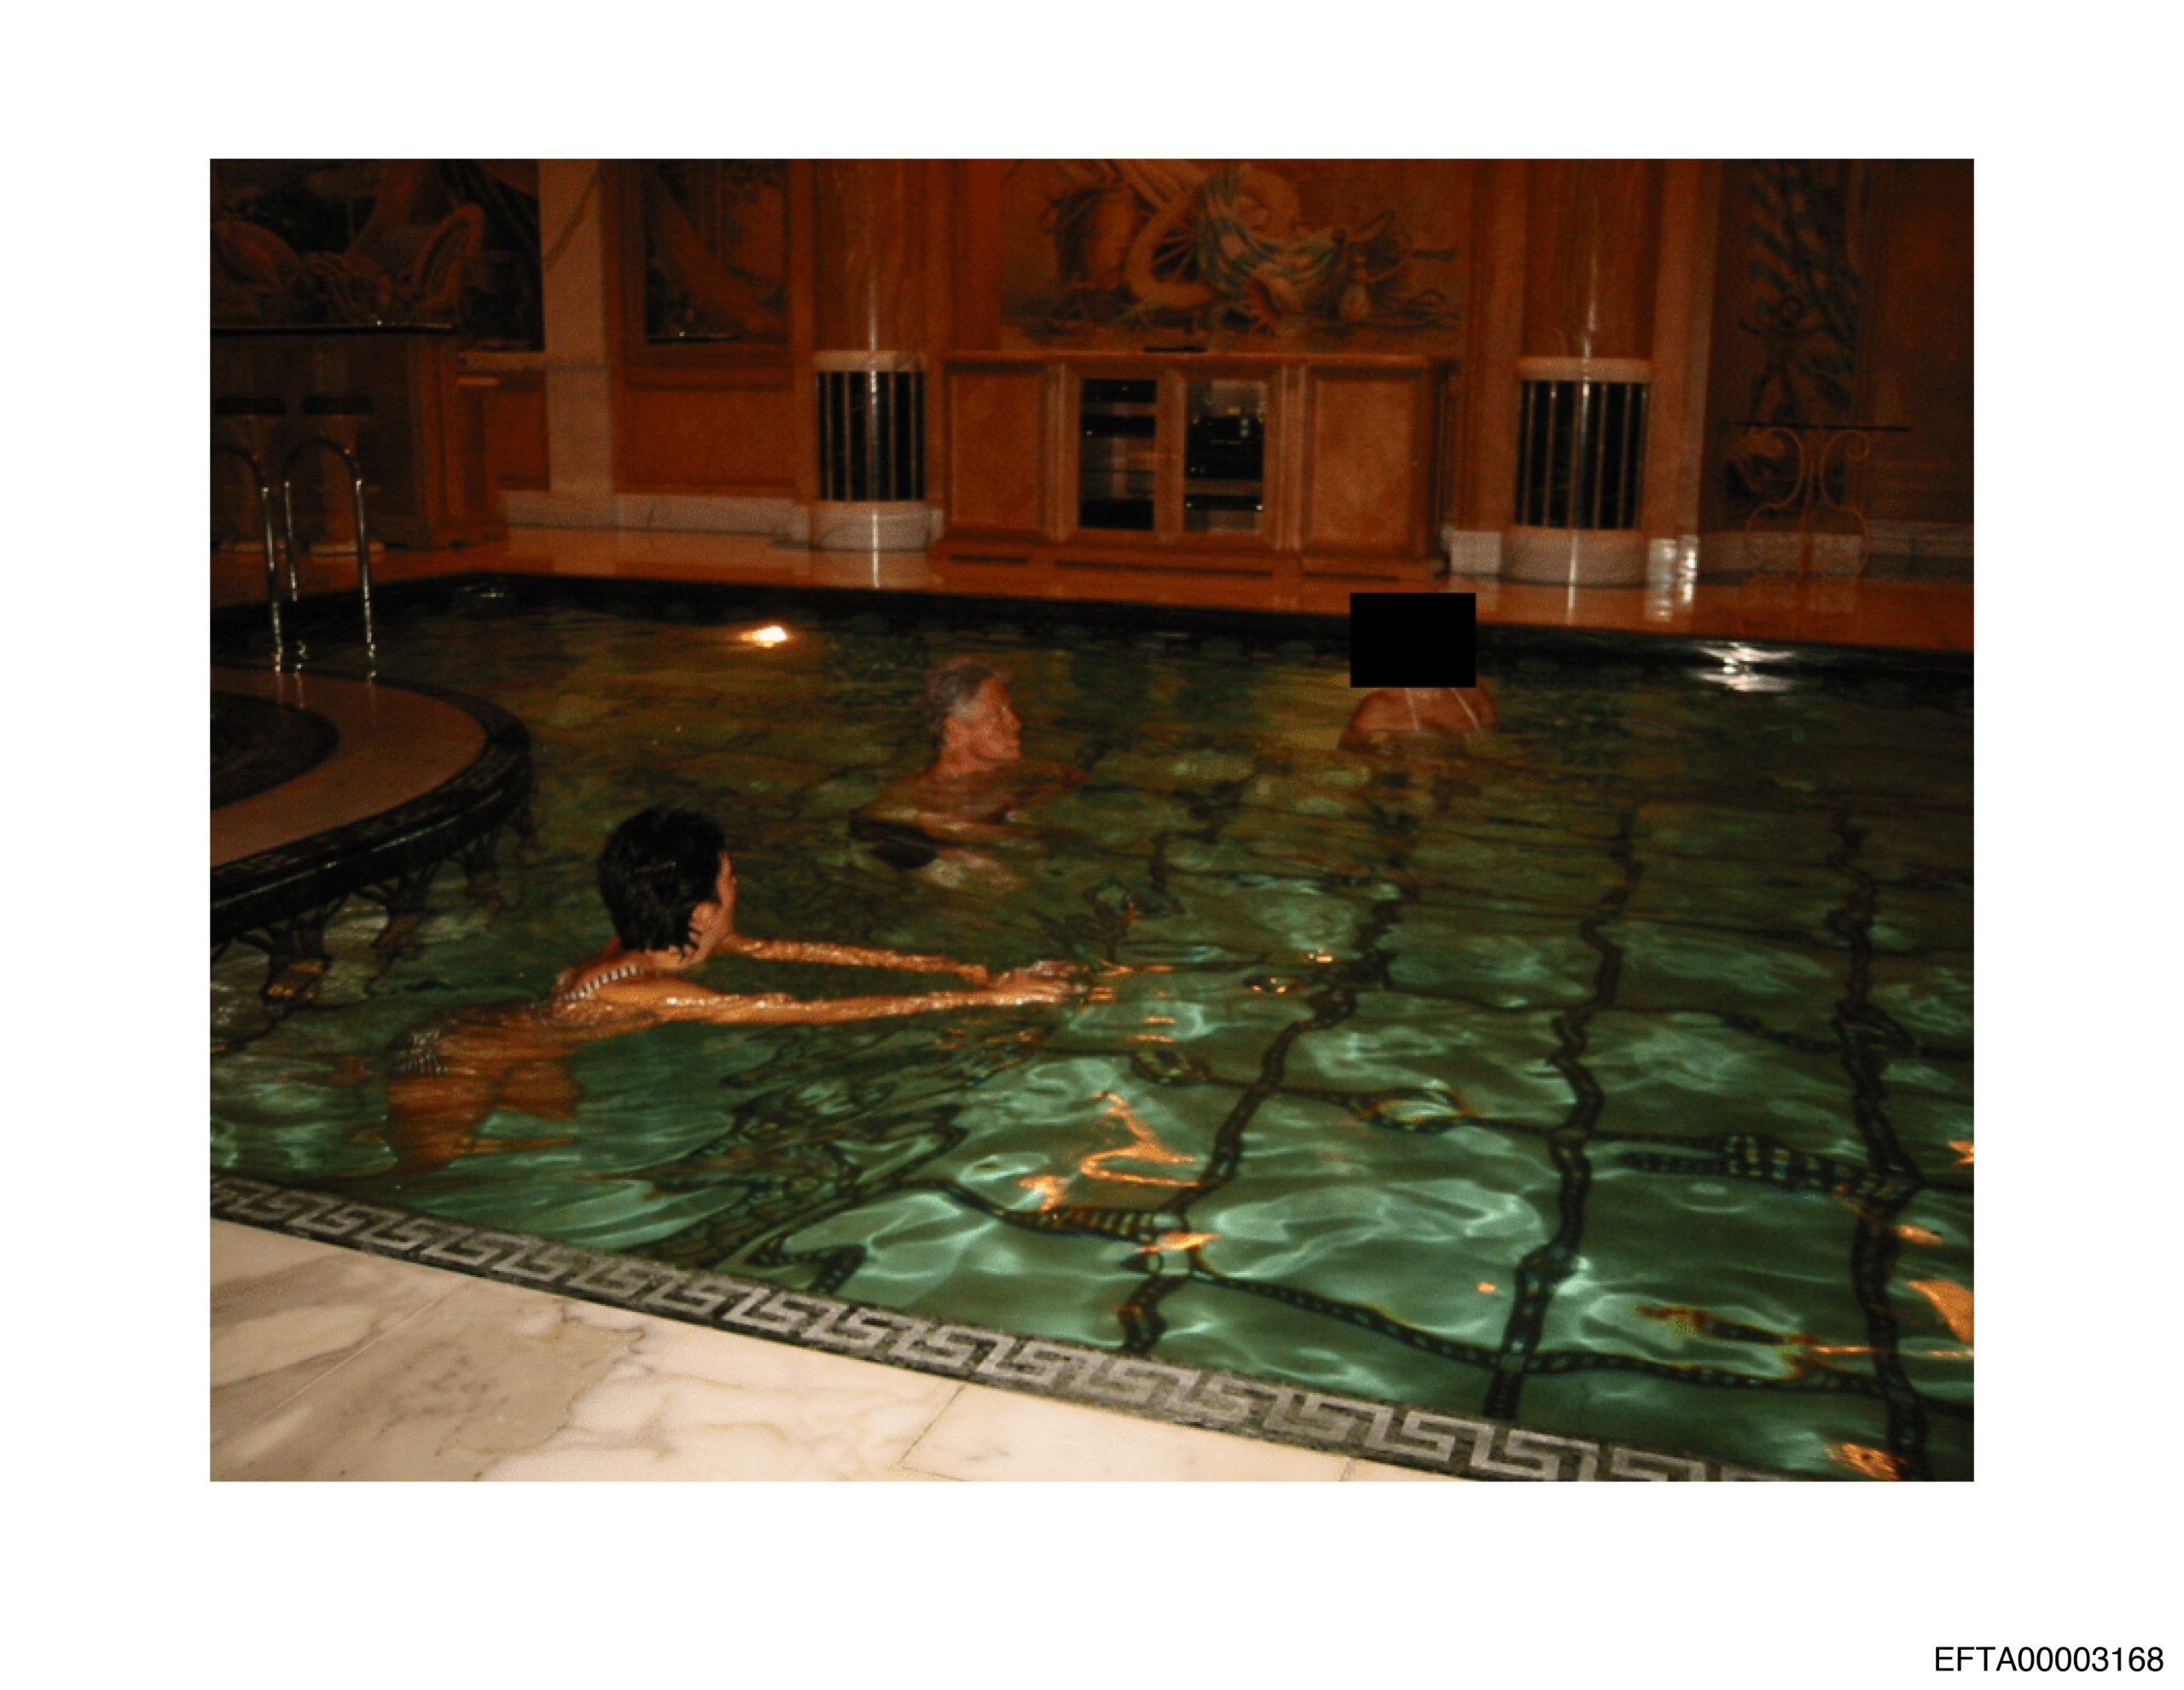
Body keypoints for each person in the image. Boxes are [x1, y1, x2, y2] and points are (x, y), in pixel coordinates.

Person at [377, 805, 1075, 1176]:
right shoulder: (649, 990)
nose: (740, 887)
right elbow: (810, 1011)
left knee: (556, 1134)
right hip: (456, 1054)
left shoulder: (668, 939)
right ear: (704, 911)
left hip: (524, 1040)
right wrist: (984, 1003)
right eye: (731, 879)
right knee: (426, 1171)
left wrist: (960, 968)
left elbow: (805, 953)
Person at [851, 657, 1082, 874]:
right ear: (956, 730)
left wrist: (1028, 800)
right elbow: (871, 827)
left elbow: (1073, 777)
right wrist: (955, 830)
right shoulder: (918, 796)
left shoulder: (1017, 772)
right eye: (997, 716)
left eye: (1010, 711)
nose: (1016, 723)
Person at [1339, 684, 1498, 753]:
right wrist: (1394, 764)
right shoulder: (1383, 704)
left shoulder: (1472, 692)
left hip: (1460, 784)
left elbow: (1497, 734)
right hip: (1402, 788)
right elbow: (1349, 747)